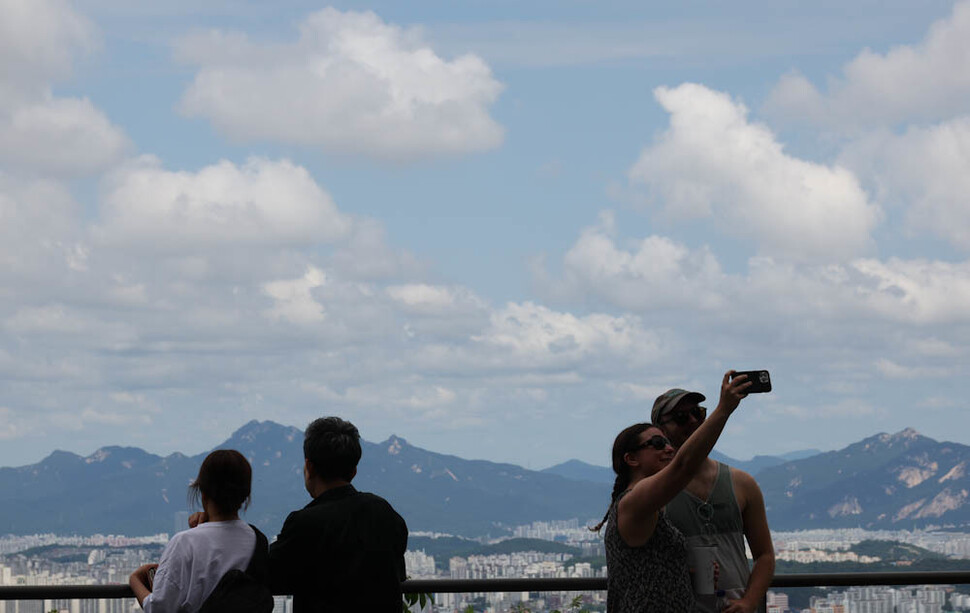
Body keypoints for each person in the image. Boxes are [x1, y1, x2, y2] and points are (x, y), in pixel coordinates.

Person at [593, 371, 750, 613]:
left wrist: (683, 572)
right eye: (657, 444)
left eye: (667, 442)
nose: (668, 448)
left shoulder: (647, 506)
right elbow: (683, 467)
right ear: (631, 459)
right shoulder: (634, 501)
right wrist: (723, 410)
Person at [268, 416, 408, 612]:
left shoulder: (303, 523)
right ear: (354, 471)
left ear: (309, 467)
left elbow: (268, 573)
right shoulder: (384, 513)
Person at [653, 387, 776, 613]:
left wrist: (749, 601)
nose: (692, 421)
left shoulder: (742, 483)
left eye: (698, 413)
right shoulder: (655, 491)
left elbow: (765, 555)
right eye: (681, 418)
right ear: (660, 430)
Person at [129, 449, 270, 613]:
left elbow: (159, 608)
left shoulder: (184, 543)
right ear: (245, 495)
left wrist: (135, 580)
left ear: (202, 492)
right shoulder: (257, 540)